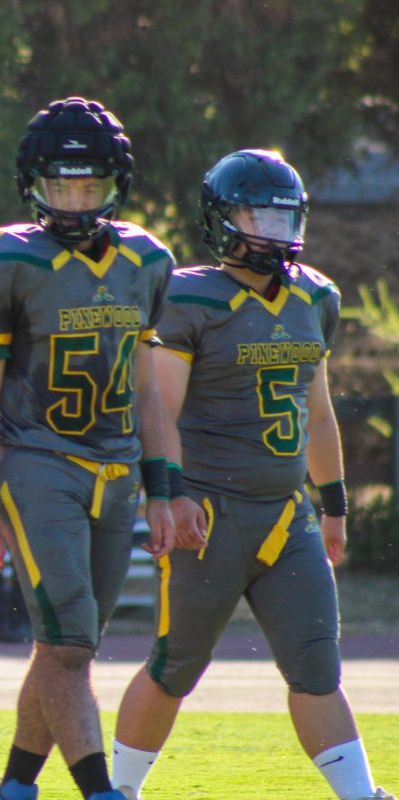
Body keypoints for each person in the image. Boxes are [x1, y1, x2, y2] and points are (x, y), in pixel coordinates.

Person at [110, 150, 394, 800]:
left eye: (280, 213)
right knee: (176, 665)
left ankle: (360, 795)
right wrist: (169, 495)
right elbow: (162, 413)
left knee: (316, 665)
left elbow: (318, 415)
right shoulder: (185, 295)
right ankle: (117, 791)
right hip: (209, 516)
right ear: (221, 217)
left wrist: (335, 506)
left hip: (285, 514)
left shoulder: (314, 295)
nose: (269, 226)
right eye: (255, 212)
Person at [0, 97, 175, 800]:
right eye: (62, 185)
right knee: (73, 646)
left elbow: (146, 391)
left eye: (90, 186)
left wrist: (166, 487)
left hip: (116, 471)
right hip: (37, 462)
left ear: (115, 183)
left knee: (62, 645)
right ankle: (98, 790)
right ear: (34, 184)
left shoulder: (146, 257)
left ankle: (16, 784)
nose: (76, 201)